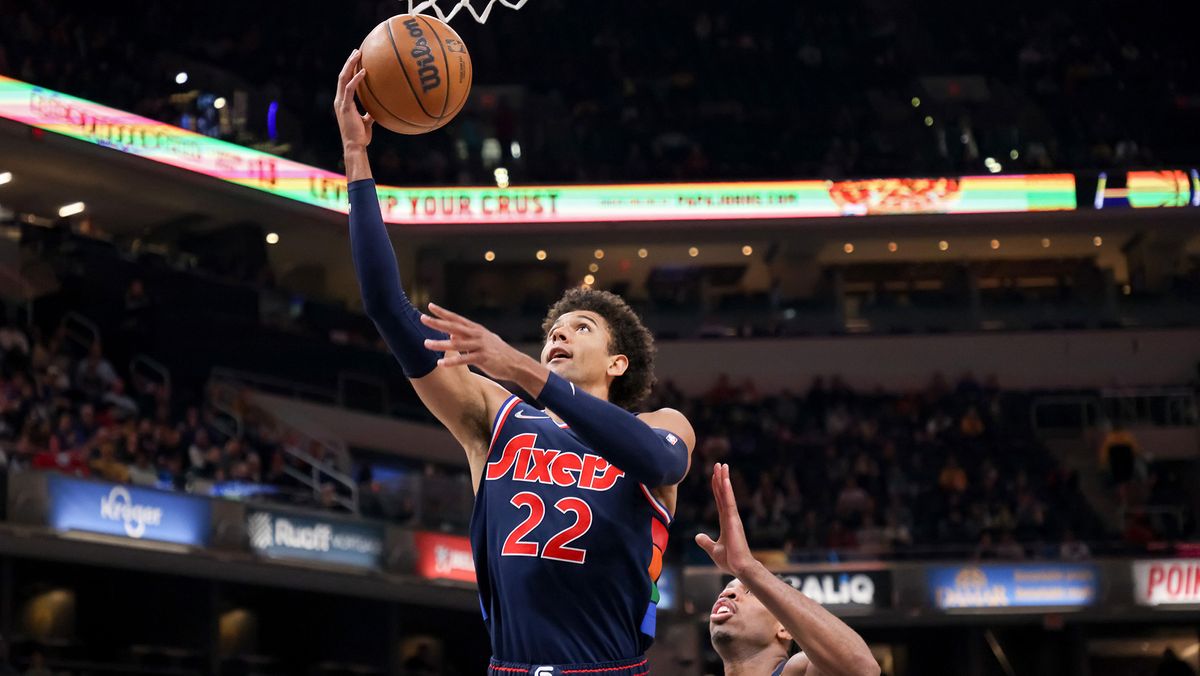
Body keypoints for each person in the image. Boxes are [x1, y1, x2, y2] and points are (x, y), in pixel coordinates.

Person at [335, 50, 695, 674]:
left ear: (617, 363)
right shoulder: (494, 419)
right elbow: (387, 310)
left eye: (579, 328)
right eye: (551, 329)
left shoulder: (664, 423)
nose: (557, 336)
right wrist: (357, 159)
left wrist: (524, 371)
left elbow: (658, 460)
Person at [697, 464, 879, 676]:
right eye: (728, 587)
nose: (727, 592)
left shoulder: (797, 670)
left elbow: (862, 668)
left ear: (784, 628)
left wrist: (749, 568)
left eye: (750, 591)